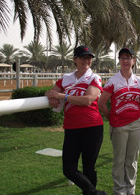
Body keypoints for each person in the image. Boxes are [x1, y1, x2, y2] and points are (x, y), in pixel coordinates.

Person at [45, 46, 107, 195]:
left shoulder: (94, 77)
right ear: (75, 59)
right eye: (82, 57)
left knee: (89, 167)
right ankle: (95, 193)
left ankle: (90, 193)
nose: (85, 61)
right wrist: (51, 95)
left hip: (92, 127)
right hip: (72, 128)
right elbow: (52, 91)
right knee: (68, 169)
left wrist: (62, 97)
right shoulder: (66, 79)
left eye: (88, 58)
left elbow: (88, 99)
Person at [98, 47, 140, 195]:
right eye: (122, 58)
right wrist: (112, 117)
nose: (125, 61)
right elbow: (101, 103)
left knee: (132, 159)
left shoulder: (139, 82)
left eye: (128, 58)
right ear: (119, 61)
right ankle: (119, 190)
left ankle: (130, 189)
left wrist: (132, 114)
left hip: (135, 125)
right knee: (119, 160)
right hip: (119, 126)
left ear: (133, 61)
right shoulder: (113, 81)